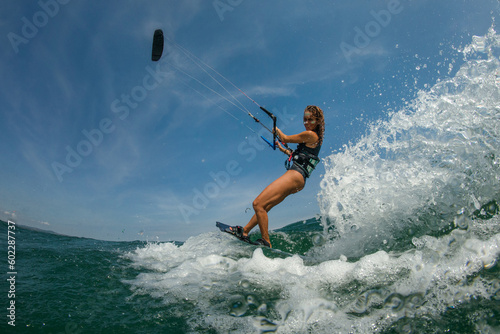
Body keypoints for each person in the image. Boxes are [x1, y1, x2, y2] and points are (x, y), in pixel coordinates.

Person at [229, 105, 325, 247]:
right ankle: (245, 231)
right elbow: (298, 155)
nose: (306, 123)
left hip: (295, 175)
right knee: (265, 206)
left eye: (310, 120)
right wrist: (282, 149)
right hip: (299, 179)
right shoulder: (313, 139)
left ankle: (266, 241)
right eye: (304, 120)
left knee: (258, 204)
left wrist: (278, 131)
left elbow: (285, 137)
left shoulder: (311, 135)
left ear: (318, 121)